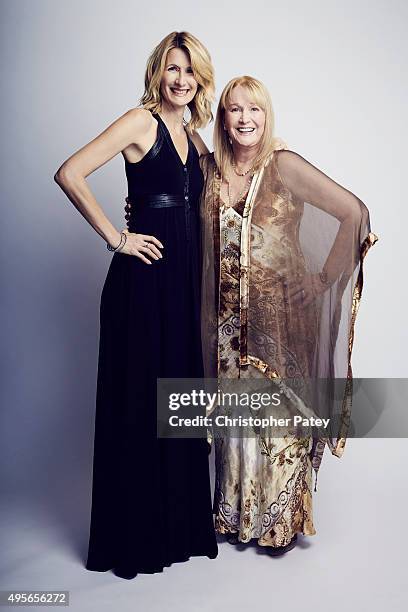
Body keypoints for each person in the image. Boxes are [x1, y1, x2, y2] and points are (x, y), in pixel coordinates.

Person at [54, 31, 218, 579]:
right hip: (143, 285)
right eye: (172, 68)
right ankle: (135, 539)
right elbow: (70, 173)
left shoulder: (194, 138)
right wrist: (116, 236)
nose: (180, 80)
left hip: (184, 284)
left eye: (189, 70)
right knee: (141, 402)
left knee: (178, 402)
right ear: (158, 72)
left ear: (200, 78)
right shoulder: (139, 121)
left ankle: (177, 530)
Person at [199, 76, 378, 555]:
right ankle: (236, 516)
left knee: (277, 418)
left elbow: (354, 212)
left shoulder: (283, 165)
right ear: (223, 118)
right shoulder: (209, 170)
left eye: (253, 109)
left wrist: (321, 279)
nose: (244, 118)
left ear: (266, 115)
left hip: (280, 321)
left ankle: (278, 522)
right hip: (227, 323)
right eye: (234, 109)